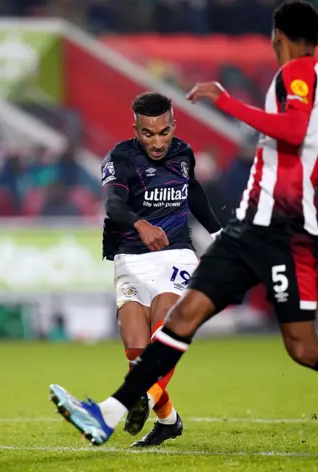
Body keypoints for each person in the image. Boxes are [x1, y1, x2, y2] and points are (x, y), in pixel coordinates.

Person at [47, 2, 318, 470]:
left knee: (303, 347)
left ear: (279, 36)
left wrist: (227, 102)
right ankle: (107, 414)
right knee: (184, 317)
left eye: (273, 36)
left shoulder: (298, 76)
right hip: (253, 225)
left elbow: (292, 129)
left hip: (284, 231)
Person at [62, 91, 222, 447]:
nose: (157, 141)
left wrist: (220, 233)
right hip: (130, 258)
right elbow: (113, 203)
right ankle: (168, 420)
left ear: (173, 125)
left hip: (176, 254)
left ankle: (123, 407)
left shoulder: (183, 153)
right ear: (135, 128)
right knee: (137, 353)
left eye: (163, 132)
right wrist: (140, 225)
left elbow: (193, 192)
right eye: (148, 133)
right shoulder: (119, 158)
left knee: (164, 334)